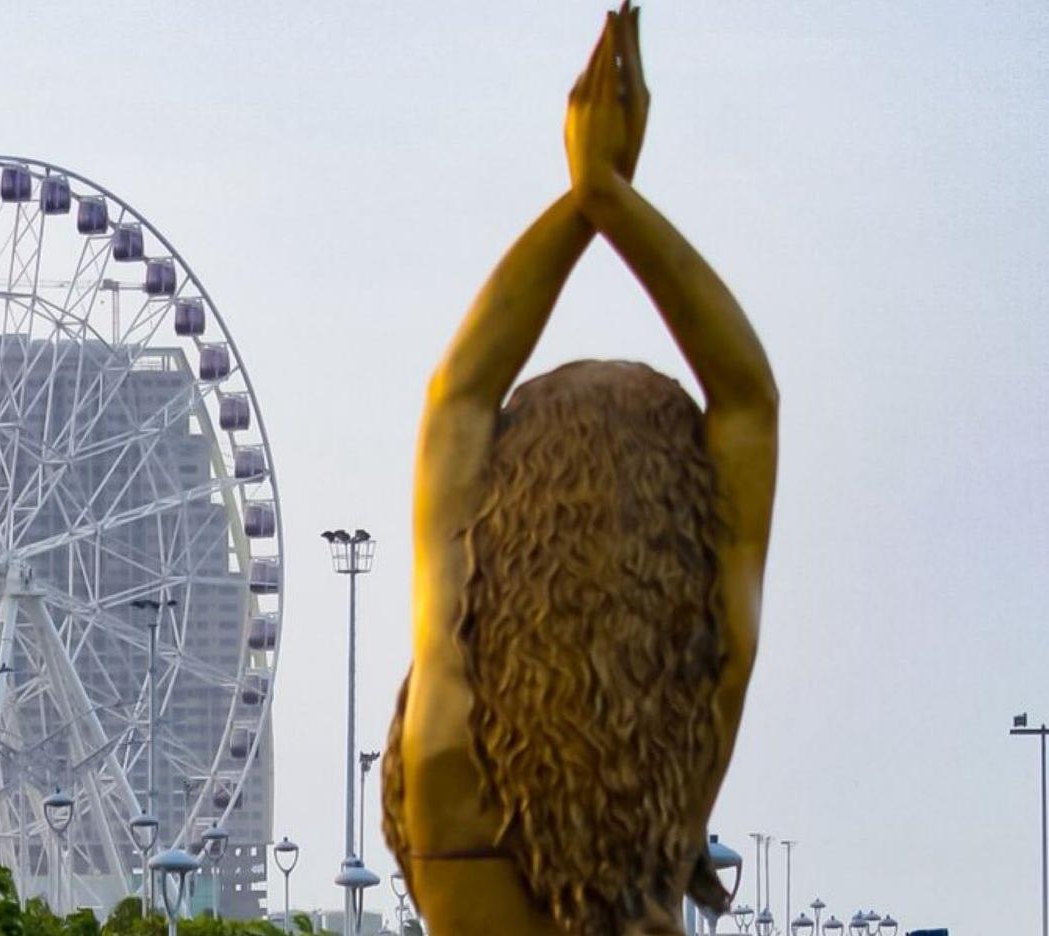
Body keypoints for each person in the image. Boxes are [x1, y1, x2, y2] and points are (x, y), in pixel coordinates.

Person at [381, 5, 779, 934]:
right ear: (674, 528)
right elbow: (750, 401)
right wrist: (611, 193)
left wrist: (582, 194)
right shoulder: (682, 734)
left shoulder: (451, 713)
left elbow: (459, 397)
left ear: (507, 505)